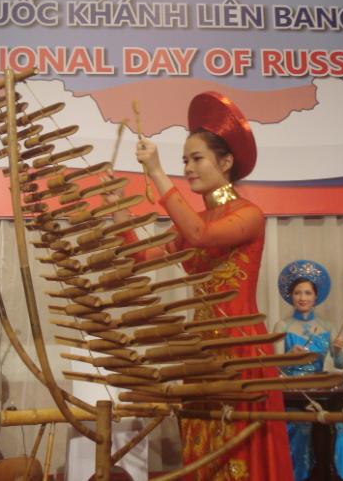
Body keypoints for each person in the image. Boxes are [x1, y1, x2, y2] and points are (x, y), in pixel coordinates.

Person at [115, 91, 293, 481]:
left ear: (225, 162)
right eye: (184, 161)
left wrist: (157, 173)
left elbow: (199, 236)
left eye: (197, 159)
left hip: (240, 351)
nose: (188, 168)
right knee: (203, 449)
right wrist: (118, 215)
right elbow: (146, 258)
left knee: (238, 448)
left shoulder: (249, 215)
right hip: (202, 350)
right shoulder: (196, 219)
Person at [273, 260, 343, 481]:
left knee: (339, 428)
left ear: (316, 296)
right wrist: (290, 357)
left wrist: (338, 350)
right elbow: (274, 365)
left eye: (308, 293)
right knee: (301, 429)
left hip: (319, 387)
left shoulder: (327, 326)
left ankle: (336, 475)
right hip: (292, 391)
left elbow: (340, 364)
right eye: (298, 293)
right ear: (291, 296)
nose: (303, 297)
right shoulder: (282, 326)